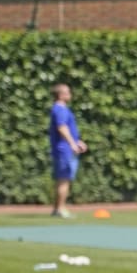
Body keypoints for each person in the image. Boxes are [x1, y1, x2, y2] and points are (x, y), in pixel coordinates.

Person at [48, 83, 87, 218]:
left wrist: (77, 142)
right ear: (60, 95)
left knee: (62, 180)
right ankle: (60, 209)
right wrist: (72, 144)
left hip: (65, 148)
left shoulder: (61, 109)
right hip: (64, 150)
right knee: (64, 180)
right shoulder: (60, 109)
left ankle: (57, 208)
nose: (70, 94)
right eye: (67, 92)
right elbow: (62, 127)